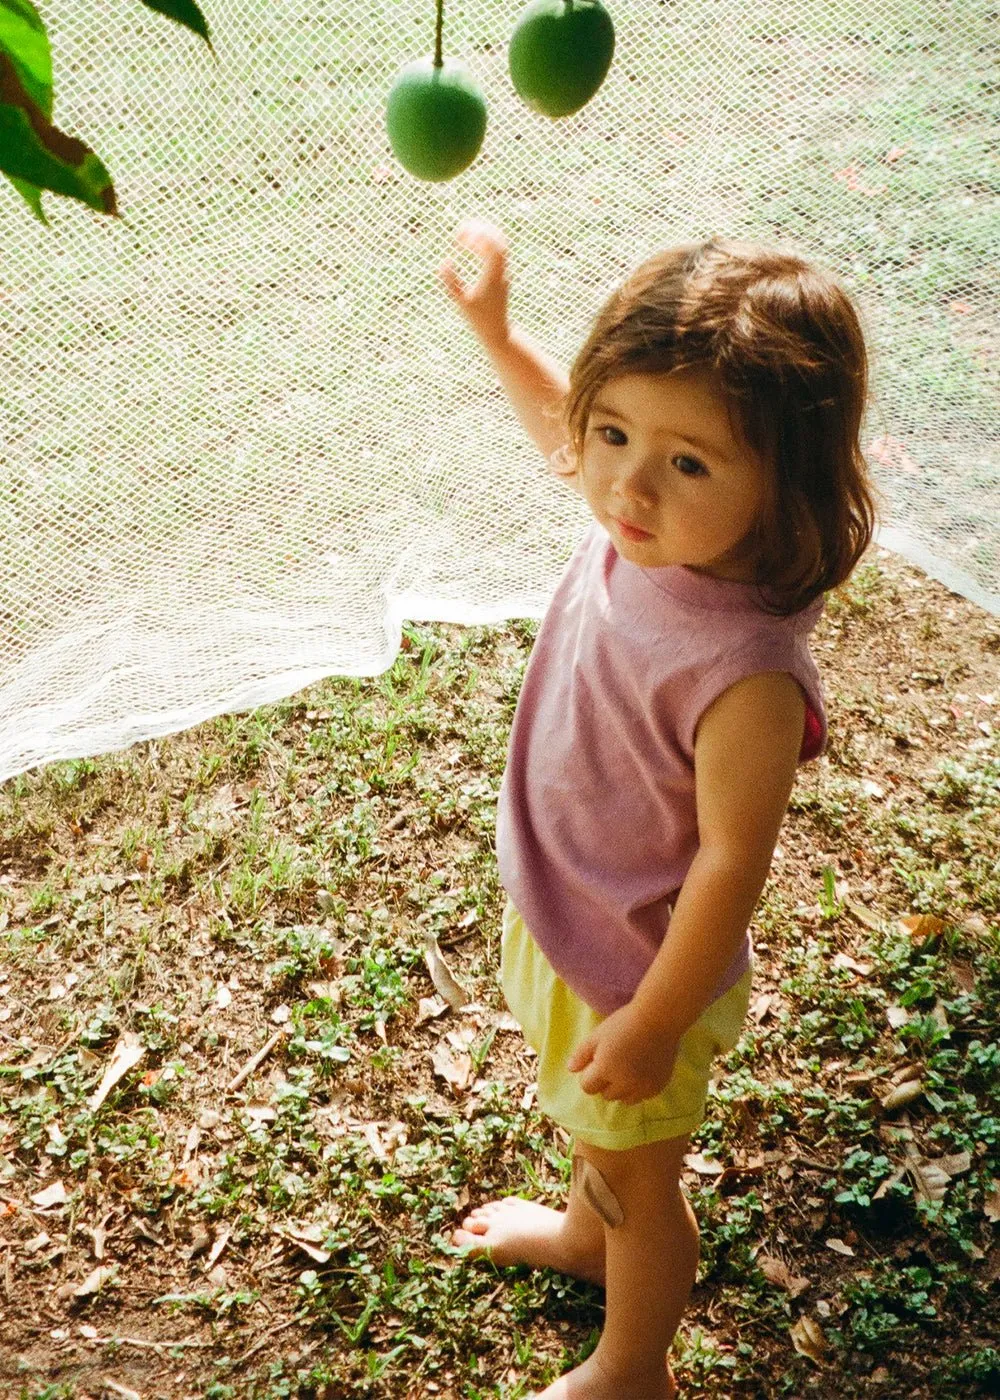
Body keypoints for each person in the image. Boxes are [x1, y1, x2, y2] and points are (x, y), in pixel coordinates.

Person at [438, 219, 876, 1400]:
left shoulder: (748, 673)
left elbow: (733, 864)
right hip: (569, 907)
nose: (626, 482)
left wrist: (651, 1020)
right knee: (601, 1147)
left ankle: (632, 1368)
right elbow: (560, 432)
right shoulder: (638, 520)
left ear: (780, 484)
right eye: (615, 431)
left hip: (638, 969)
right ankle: (586, 1237)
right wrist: (497, 333)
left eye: (687, 462)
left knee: (641, 1175)